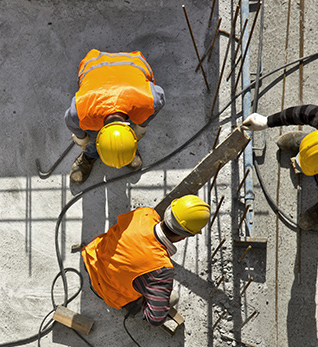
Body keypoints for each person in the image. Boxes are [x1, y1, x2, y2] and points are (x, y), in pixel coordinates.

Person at [81, 195, 210, 327]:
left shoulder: (144, 214)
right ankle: (134, 308)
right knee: (173, 297)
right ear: (184, 236)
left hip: (91, 258)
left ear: (168, 211)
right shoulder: (161, 269)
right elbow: (155, 319)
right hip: (105, 291)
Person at [64, 49, 166, 184]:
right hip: (95, 63)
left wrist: (142, 125)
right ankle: (90, 155)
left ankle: (124, 149)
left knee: (130, 124)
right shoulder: (81, 112)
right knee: (90, 137)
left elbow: (159, 98)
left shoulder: (148, 100)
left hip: (133, 62)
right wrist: (82, 139)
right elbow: (70, 120)